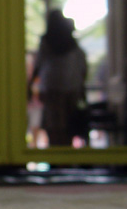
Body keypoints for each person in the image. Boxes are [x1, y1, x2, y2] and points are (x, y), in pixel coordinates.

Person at [30, 9, 88, 146]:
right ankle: (65, 155)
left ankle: (57, 154)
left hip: (52, 88)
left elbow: (39, 63)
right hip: (71, 87)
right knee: (68, 125)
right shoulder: (72, 42)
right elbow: (82, 66)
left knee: (54, 124)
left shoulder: (47, 41)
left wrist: (31, 85)